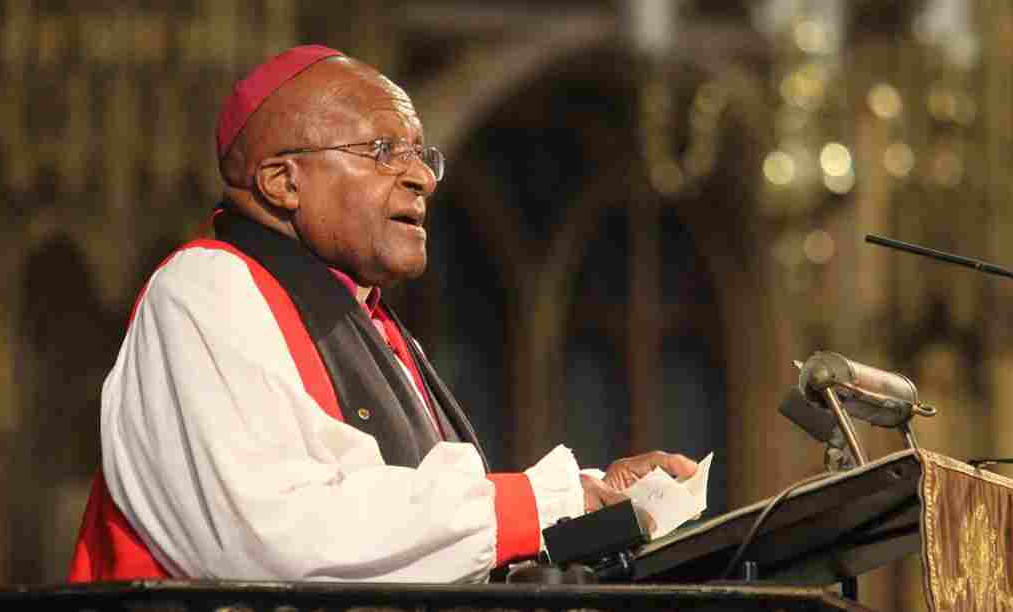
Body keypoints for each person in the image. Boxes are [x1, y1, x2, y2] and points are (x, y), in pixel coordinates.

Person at [68, 45, 697, 583]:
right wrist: (545, 502)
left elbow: (405, 529)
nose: (423, 177)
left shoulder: (373, 323)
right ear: (284, 181)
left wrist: (593, 503)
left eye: (421, 154)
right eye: (384, 150)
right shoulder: (207, 290)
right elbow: (270, 534)